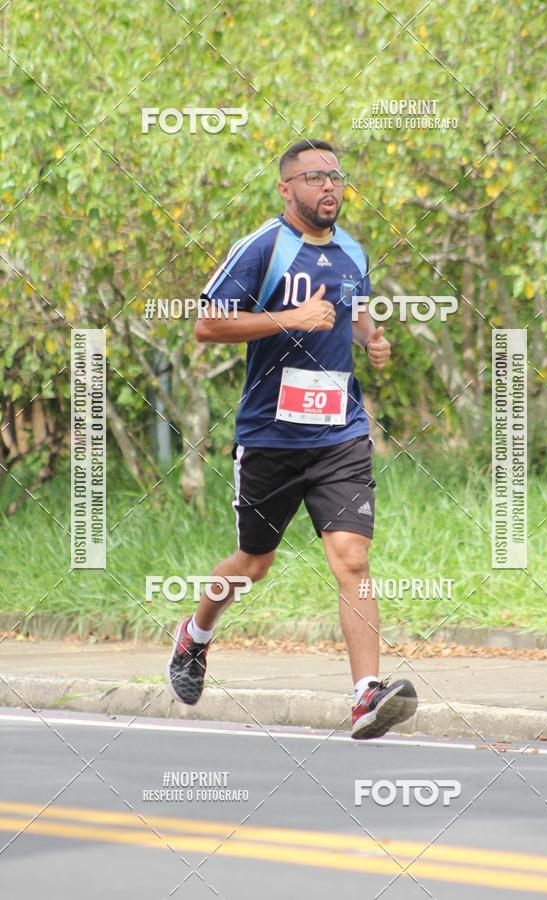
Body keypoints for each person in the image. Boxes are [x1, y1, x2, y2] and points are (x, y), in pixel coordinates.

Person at [167, 139, 417, 739]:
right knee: (254, 564)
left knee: (353, 560)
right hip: (271, 439)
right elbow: (207, 325)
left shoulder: (353, 250)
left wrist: (372, 341)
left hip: (340, 435)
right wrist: (289, 319)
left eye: (335, 176)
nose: (328, 186)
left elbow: (356, 315)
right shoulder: (262, 248)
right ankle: (194, 636)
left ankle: (365, 696)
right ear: (286, 188)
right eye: (313, 177)